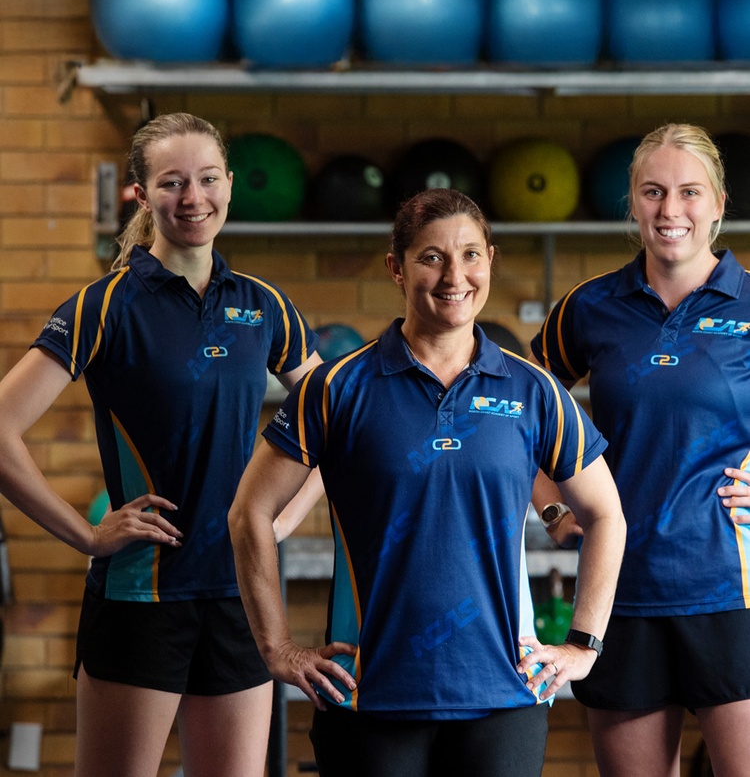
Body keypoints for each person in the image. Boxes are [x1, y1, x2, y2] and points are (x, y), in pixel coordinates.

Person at [229, 187, 626, 777]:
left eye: (471, 255)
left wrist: (583, 645)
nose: (454, 276)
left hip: (505, 695)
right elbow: (248, 514)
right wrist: (277, 648)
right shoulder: (336, 387)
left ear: (490, 260)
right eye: (432, 257)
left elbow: (606, 515)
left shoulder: (534, 390)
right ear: (397, 267)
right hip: (368, 696)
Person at [0, 112, 323, 777]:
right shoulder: (103, 306)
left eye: (207, 179)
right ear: (142, 195)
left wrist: (284, 519)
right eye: (172, 182)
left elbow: (339, 421)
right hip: (140, 598)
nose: (193, 198)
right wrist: (85, 536)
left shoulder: (263, 305)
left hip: (240, 593)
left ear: (229, 184)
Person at [530, 123, 750, 777]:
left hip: (731, 593)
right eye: (653, 192)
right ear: (632, 202)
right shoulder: (590, 307)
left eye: (689, 192)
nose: (670, 209)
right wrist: (552, 510)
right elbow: (514, 412)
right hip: (619, 593)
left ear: (719, 202)